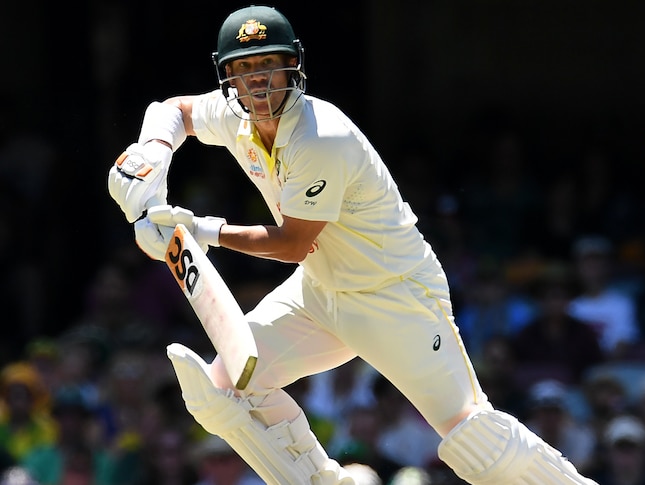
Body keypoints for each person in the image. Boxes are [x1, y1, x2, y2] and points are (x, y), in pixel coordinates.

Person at [105, 5, 598, 485]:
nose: (258, 80)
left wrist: (200, 231)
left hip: (392, 295)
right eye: (245, 68)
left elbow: (293, 243)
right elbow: (173, 110)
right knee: (227, 390)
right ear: (228, 76)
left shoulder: (320, 137)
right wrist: (153, 153)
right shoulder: (237, 116)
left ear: (292, 66)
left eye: (269, 65)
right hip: (320, 293)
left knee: (475, 440)